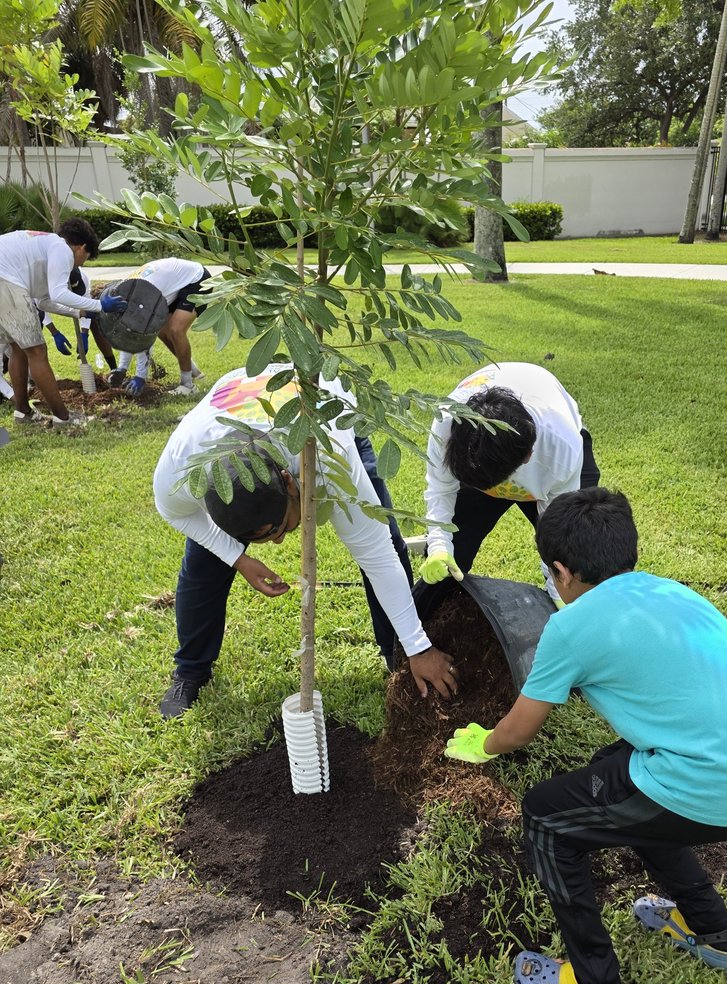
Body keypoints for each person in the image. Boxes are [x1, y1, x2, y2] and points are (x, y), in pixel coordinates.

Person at [445, 488, 727, 984]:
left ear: (561, 572)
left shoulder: (571, 626)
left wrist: (484, 742)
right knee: (616, 775)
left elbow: (518, 732)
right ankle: (714, 933)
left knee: (546, 817)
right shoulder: (671, 591)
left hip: (717, 785)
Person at [153, 363, 458, 719]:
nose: (278, 543)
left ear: (290, 481)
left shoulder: (331, 457)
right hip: (238, 407)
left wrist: (418, 646)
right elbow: (176, 514)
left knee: (383, 535)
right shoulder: (181, 469)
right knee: (204, 563)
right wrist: (236, 556)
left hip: (327, 415)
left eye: (280, 528)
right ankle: (190, 672)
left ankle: (402, 657)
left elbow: (378, 556)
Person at [415, 361, 600, 621]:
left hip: (548, 462)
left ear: (527, 457)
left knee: (579, 555)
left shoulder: (561, 451)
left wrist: (558, 590)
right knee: (452, 553)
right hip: (485, 456)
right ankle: (414, 635)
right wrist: (438, 543)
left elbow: (557, 528)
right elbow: (440, 488)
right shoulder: (448, 425)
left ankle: (589, 623)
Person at [0, 219, 127, 428]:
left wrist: (79, 311)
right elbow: (59, 293)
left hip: (5, 277)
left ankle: (23, 412)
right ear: (82, 248)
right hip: (4, 279)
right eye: (85, 258)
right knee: (37, 351)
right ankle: (64, 418)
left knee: (18, 348)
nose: (80, 264)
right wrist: (100, 305)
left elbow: (44, 301)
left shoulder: (44, 250)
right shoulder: (62, 248)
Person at [109, 257, 210, 396]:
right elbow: (129, 333)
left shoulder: (142, 298)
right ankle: (194, 372)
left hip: (196, 279)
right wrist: (122, 368)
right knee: (162, 331)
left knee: (176, 330)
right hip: (174, 283)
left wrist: (140, 377)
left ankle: (188, 386)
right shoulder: (125, 292)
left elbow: (143, 339)